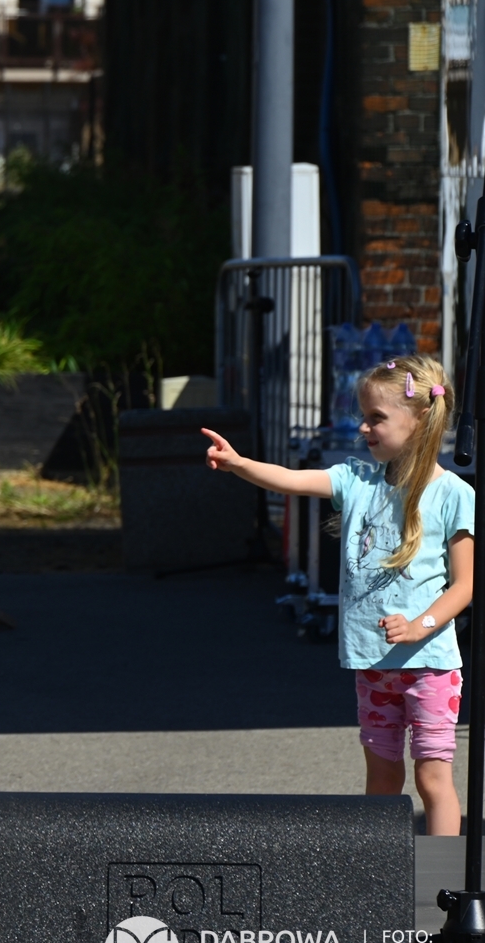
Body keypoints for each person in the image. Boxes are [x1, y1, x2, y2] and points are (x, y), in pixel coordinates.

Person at [203, 355, 474, 835]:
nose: (363, 427)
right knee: (382, 778)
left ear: (418, 420)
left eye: (376, 417)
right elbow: (291, 480)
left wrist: (420, 626)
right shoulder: (356, 480)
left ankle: (444, 875)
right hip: (373, 665)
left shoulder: (453, 493)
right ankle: (378, 867)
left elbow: (466, 584)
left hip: (430, 666)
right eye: (363, 416)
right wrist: (239, 464)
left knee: (432, 779)